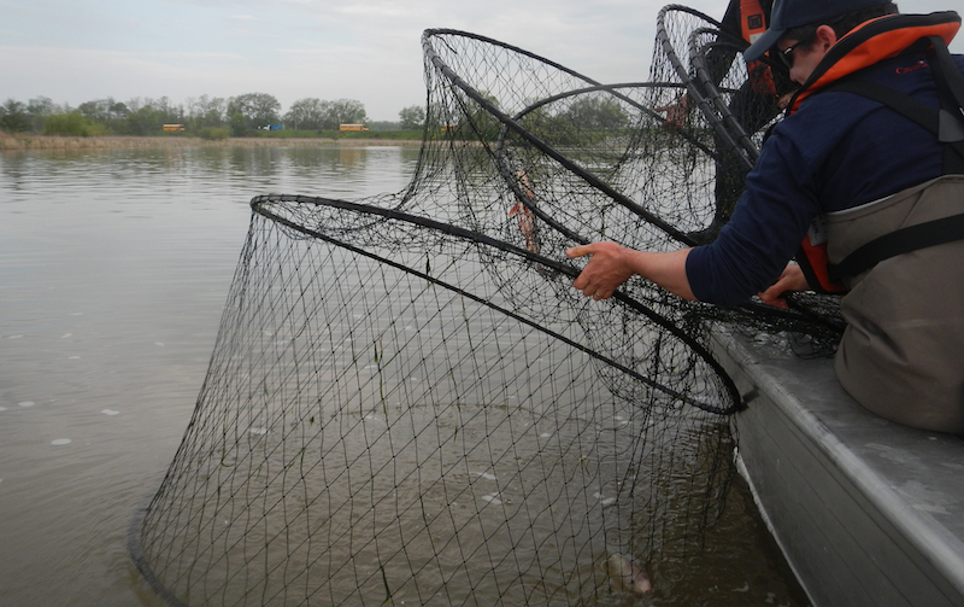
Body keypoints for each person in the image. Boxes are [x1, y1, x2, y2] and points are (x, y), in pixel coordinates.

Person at [568, 0, 964, 433]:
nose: (788, 74)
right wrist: (807, 275)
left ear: (827, 41)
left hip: (925, 390)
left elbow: (729, 275)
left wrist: (630, 261)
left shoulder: (807, 128)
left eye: (789, 56)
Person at [657, 0, 797, 243]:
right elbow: (722, 54)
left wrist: (805, 90)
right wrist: (685, 105)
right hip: (770, 81)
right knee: (728, 130)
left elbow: (840, 39)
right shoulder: (743, 3)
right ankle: (726, 223)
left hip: (824, 78)